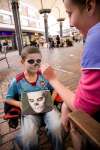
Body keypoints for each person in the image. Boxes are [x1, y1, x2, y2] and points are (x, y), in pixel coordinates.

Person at [40, 0, 100, 149]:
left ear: (90, 6)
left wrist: (52, 79)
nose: (70, 23)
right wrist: (67, 103)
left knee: (75, 119)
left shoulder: (96, 37)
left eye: (69, 13)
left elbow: (82, 106)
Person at [0, 46, 63, 150]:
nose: (35, 64)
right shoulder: (16, 81)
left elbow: (55, 88)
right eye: (31, 61)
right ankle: (21, 141)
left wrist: (51, 99)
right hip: (30, 112)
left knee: (56, 127)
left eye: (38, 61)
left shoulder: (44, 76)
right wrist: (20, 104)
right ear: (22, 62)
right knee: (29, 136)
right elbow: (8, 99)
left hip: (47, 108)